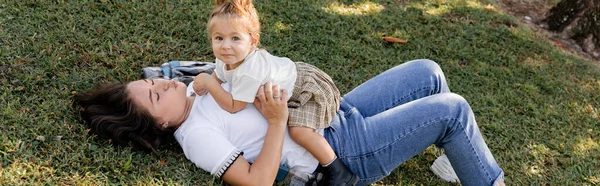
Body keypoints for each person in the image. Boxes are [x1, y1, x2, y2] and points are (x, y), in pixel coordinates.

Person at [74, 59, 506, 186]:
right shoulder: (195, 136)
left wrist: (164, 77)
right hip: (345, 150)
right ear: (161, 126)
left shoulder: (192, 91)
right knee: (452, 109)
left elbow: (181, 69)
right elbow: (257, 181)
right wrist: (278, 122)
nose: (166, 88)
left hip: (333, 112)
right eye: (155, 96)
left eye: (155, 85)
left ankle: (455, 162)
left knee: (428, 72)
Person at [191, 0, 357, 184]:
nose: (225, 46)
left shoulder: (249, 71)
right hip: (292, 87)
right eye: (219, 38)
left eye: (235, 38)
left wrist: (206, 81)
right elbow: (219, 75)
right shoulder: (225, 58)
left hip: (305, 89)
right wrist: (208, 82)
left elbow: (233, 105)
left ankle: (339, 172)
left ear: (253, 41)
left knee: (299, 132)